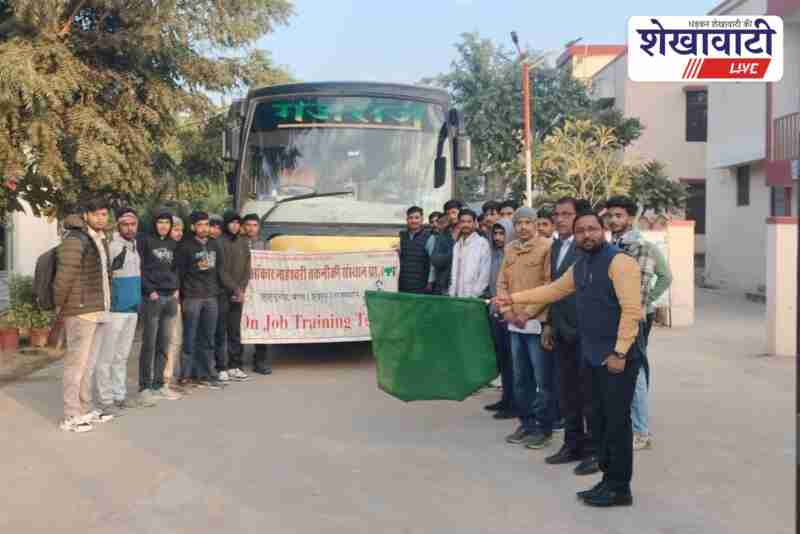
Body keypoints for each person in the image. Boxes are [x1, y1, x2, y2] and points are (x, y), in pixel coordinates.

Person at [495, 211, 643, 508]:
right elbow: (553, 290)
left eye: (592, 229)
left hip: (616, 358)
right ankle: (607, 479)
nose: (587, 235)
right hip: (592, 355)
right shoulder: (581, 264)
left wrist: (620, 352)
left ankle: (620, 487)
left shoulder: (620, 262)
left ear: (603, 231)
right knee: (598, 422)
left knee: (616, 423)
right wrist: (514, 298)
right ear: (575, 237)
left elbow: (632, 311)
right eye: (581, 231)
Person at [606, 196, 673, 451]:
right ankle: (630, 424)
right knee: (623, 370)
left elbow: (665, 277)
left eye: (619, 215)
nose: (613, 220)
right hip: (615, 316)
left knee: (635, 372)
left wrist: (649, 303)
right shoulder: (612, 244)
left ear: (630, 218)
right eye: (610, 216)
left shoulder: (643, 247)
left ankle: (641, 431)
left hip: (634, 318)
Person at [542, 198, 597, 472]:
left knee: (590, 395)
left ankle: (595, 451)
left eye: (567, 214)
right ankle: (572, 444)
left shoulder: (587, 247)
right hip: (562, 330)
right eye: (557, 214)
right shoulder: (555, 247)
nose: (560, 219)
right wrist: (549, 324)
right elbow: (554, 289)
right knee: (568, 393)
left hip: (585, 331)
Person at [55, 198, 115, 432]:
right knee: (76, 365)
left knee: (88, 365)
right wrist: (61, 307)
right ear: (86, 215)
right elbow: (64, 276)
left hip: (98, 307)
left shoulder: (98, 238)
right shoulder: (75, 239)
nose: (102, 218)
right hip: (81, 310)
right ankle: (70, 415)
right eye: (98, 214)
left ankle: (84, 408)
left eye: (105, 214)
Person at [496, 206, 554, 449]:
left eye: (527, 222)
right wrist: (508, 312)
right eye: (518, 223)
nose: (522, 227)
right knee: (521, 378)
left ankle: (544, 428)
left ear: (536, 224)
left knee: (543, 380)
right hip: (514, 323)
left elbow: (549, 284)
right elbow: (502, 283)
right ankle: (527, 423)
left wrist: (527, 313)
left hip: (536, 322)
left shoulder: (547, 247)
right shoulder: (510, 249)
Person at [94, 208, 148, 417]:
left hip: (131, 310)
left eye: (133, 224)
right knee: (106, 357)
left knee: (122, 357)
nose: (129, 227)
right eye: (125, 224)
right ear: (118, 225)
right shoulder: (113, 247)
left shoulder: (133, 247)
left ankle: (120, 395)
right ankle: (105, 399)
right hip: (115, 311)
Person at [176, 211, 229, 389]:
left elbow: (220, 270)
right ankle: (186, 375)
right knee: (190, 338)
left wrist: (230, 289)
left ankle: (206, 373)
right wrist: (181, 295)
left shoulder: (215, 244)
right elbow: (180, 273)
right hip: (192, 298)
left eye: (206, 224)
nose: (204, 228)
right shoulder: (185, 246)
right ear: (192, 227)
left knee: (208, 338)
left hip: (211, 297)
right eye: (200, 225)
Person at [138, 211, 182, 401]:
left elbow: (177, 268)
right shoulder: (145, 241)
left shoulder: (173, 244)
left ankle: (159, 384)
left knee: (164, 343)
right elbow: (139, 268)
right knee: (149, 343)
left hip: (170, 297)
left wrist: (176, 288)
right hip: (153, 297)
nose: (163, 225)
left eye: (167, 222)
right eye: (160, 222)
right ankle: (145, 387)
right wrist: (149, 290)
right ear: (154, 223)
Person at [484, 218, 517, 419]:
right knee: (503, 359)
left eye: (502, 234)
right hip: (495, 312)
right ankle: (506, 398)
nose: (497, 238)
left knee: (513, 362)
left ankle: (515, 403)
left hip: (510, 313)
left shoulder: (513, 256)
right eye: (495, 234)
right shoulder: (495, 255)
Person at [217, 211, 251, 382]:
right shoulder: (219, 242)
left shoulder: (243, 242)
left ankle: (235, 365)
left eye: (237, 223)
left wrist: (241, 290)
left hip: (238, 294)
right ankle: (221, 367)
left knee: (235, 331)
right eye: (231, 222)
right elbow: (221, 270)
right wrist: (234, 290)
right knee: (221, 331)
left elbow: (247, 268)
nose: (235, 226)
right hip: (223, 294)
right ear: (226, 224)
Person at [243, 213, 273, 375]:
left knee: (261, 326)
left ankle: (260, 361)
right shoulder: (238, 242)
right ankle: (235, 362)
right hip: (241, 289)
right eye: (248, 225)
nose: (251, 228)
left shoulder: (265, 244)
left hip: (260, 291)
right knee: (238, 326)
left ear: (259, 227)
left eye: (254, 225)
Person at [448, 209, 490, 298]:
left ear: (475, 223)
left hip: (473, 297)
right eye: (463, 221)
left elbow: (485, 273)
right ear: (459, 224)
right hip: (456, 296)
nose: (466, 225)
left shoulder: (482, 243)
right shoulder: (457, 245)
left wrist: (475, 294)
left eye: (469, 221)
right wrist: (452, 292)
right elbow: (454, 272)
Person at [164, 215, 185, 389]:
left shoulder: (180, 249)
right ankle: (164, 378)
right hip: (167, 298)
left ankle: (169, 376)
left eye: (181, 230)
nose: (179, 233)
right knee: (168, 338)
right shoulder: (162, 250)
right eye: (176, 229)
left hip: (182, 298)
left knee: (176, 339)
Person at [398, 206, 434, 294]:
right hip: (403, 284)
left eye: (417, 218)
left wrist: (430, 282)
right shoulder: (401, 236)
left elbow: (433, 262)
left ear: (422, 219)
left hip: (421, 285)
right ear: (407, 220)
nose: (414, 221)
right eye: (410, 218)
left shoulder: (429, 237)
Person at [430, 200, 462, 295]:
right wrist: (453, 253)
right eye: (448, 214)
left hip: (464, 284)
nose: (451, 216)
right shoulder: (443, 234)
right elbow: (435, 260)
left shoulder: (469, 233)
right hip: (445, 284)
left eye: (454, 212)